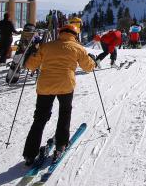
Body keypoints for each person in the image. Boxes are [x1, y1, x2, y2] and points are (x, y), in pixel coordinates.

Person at [22, 24, 95, 165]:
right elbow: (88, 67)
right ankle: (61, 145)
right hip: (65, 85)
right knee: (64, 113)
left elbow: (30, 66)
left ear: (60, 33)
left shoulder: (47, 46)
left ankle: (30, 154)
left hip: (45, 86)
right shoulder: (78, 48)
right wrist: (92, 60)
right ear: (75, 35)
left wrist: (32, 53)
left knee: (40, 118)